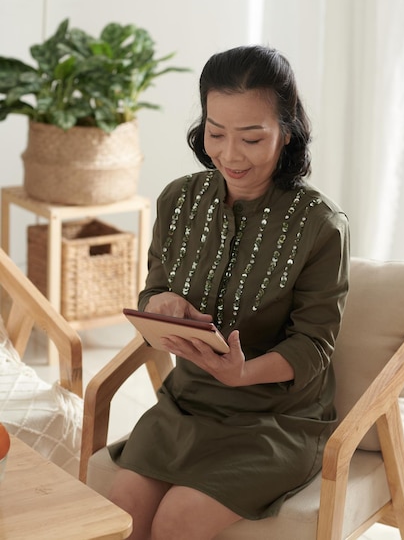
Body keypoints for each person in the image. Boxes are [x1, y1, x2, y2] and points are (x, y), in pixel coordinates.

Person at [108, 45, 350, 540]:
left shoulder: (321, 226)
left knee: (178, 519)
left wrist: (244, 374)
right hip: (189, 404)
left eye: (252, 137)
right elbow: (156, 285)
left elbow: (313, 346)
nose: (230, 154)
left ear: (287, 133)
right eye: (216, 133)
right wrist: (162, 305)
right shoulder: (179, 200)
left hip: (276, 421)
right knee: (121, 514)